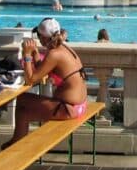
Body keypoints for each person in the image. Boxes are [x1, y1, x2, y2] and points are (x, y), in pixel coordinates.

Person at [5, 18, 88, 147]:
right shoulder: (65, 48)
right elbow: (44, 70)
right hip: (79, 105)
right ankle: (17, 144)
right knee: (24, 107)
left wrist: (27, 55)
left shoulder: (54, 54)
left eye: (38, 35)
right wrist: (36, 54)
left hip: (68, 108)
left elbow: (30, 80)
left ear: (44, 37)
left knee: (22, 101)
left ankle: (16, 145)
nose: (37, 39)